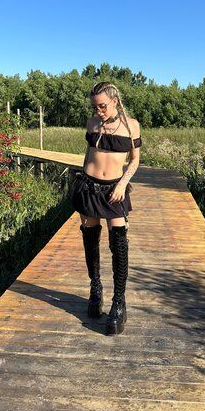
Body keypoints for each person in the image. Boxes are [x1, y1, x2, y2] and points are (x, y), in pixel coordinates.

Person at [70, 81, 142, 335]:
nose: (98, 111)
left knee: (119, 242)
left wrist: (122, 184)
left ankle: (119, 301)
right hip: (88, 186)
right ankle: (96, 288)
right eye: (95, 107)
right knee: (90, 239)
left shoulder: (131, 126)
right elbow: (89, 153)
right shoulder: (92, 123)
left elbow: (135, 160)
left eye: (102, 106)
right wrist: (80, 182)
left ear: (114, 101)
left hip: (114, 189)